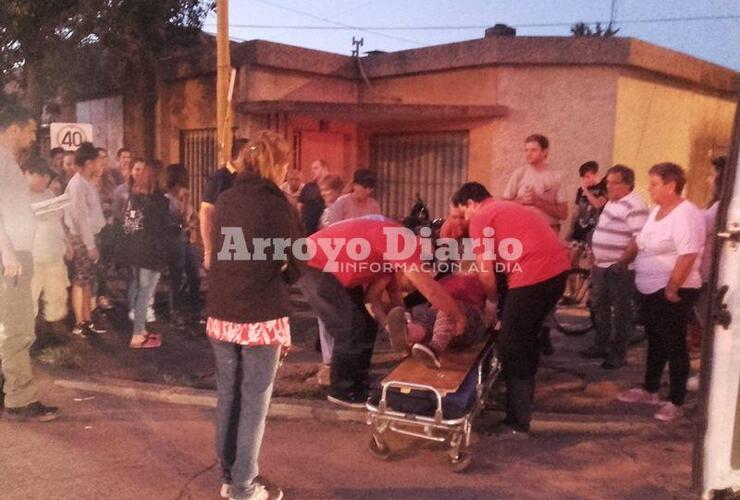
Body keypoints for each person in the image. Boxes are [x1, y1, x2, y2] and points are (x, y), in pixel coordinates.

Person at [207, 130, 295, 500]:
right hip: (260, 315)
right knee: (255, 402)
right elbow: (296, 262)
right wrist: (284, 271)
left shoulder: (226, 199)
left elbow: (223, 248)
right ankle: (243, 487)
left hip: (222, 312)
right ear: (276, 166)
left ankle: (230, 475)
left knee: (229, 395)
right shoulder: (280, 207)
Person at [298, 215, 466, 408]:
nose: (413, 286)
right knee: (351, 327)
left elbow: (378, 296)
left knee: (366, 323)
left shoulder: (390, 252)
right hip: (314, 264)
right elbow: (428, 288)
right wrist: (457, 316)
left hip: (331, 267)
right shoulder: (403, 241)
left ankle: (358, 381)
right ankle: (343, 390)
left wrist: (397, 325)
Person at [452, 182, 569, 438]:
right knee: (526, 337)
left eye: (462, 213)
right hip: (557, 272)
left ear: (470, 203)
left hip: (533, 276)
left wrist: (492, 305)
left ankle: (517, 423)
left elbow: (486, 271)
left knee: (512, 344)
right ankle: (518, 400)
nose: (463, 221)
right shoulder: (507, 208)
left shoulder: (481, 216)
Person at [617, 163, 705, 423]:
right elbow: (641, 241)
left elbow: (688, 253)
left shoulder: (686, 214)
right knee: (655, 339)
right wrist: (622, 262)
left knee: (675, 343)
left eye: (654, 184)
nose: (650, 188)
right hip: (650, 289)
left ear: (671, 186)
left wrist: (672, 287)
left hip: (673, 290)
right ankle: (650, 389)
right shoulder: (656, 211)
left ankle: (676, 400)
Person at [0, 102, 60, 421]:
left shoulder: (8, 162)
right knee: (18, 328)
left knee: (7, 327)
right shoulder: (2, 161)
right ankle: (19, 398)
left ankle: (9, 389)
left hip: (12, 253)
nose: (34, 136)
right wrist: (8, 253)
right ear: (13, 128)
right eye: (31, 129)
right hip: (11, 258)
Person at [582, 165, 648, 369]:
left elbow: (638, 239)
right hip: (601, 265)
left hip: (619, 267)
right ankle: (601, 344)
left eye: (614, 182)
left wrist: (622, 263)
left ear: (628, 184)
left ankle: (618, 354)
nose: (608, 186)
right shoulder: (612, 202)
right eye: (607, 182)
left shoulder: (635, 205)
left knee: (621, 312)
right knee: (599, 306)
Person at [118, 159, 174, 349]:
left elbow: (129, 225)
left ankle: (140, 330)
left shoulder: (134, 197)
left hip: (136, 251)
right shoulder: (162, 201)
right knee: (146, 293)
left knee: (141, 290)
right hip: (153, 253)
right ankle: (137, 335)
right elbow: (164, 230)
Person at [387, 271, 489, 368]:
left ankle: (435, 347)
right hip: (439, 319)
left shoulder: (477, 279)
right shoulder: (446, 279)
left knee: (448, 309)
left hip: (467, 320)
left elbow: (491, 301)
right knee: (429, 315)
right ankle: (409, 333)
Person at [24, 159, 71, 343]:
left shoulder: (50, 194)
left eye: (46, 177)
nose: (44, 180)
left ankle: (51, 333)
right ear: (27, 174)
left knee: (57, 294)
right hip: (32, 257)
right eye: (39, 176)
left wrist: (67, 243)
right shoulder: (17, 195)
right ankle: (26, 338)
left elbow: (59, 221)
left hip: (54, 254)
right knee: (29, 296)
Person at [64, 142, 107, 338]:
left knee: (87, 279)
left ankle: (87, 319)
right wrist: (90, 245)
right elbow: (80, 217)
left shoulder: (86, 182)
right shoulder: (77, 184)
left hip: (88, 236)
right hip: (82, 238)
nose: (100, 165)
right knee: (80, 280)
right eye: (97, 161)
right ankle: (79, 323)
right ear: (89, 162)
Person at [200, 138, 250, 271]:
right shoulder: (220, 177)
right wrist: (208, 250)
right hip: (225, 239)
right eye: (250, 153)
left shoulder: (246, 177)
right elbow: (206, 212)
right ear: (241, 154)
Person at [165, 163, 202, 328]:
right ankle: (175, 312)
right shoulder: (167, 200)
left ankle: (195, 309)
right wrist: (186, 202)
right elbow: (180, 219)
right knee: (176, 277)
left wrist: (192, 226)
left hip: (185, 240)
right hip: (174, 241)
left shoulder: (179, 199)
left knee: (194, 275)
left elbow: (194, 217)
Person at [568, 160, 606, 264]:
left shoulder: (602, 187)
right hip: (580, 229)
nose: (588, 180)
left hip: (595, 230)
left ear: (596, 174)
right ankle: (574, 280)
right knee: (572, 260)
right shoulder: (580, 191)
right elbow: (576, 211)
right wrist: (570, 230)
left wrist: (586, 190)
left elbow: (598, 204)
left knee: (591, 262)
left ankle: (588, 279)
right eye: (585, 177)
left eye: (589, 176)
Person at [297, 159, 329, 235]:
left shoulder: (331, 186)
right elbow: (299, 206)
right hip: (307, 229)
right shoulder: (308, 186)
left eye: (316, 168)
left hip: (324, 228)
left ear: (324, 169)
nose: (312, 171)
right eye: (312, 168)